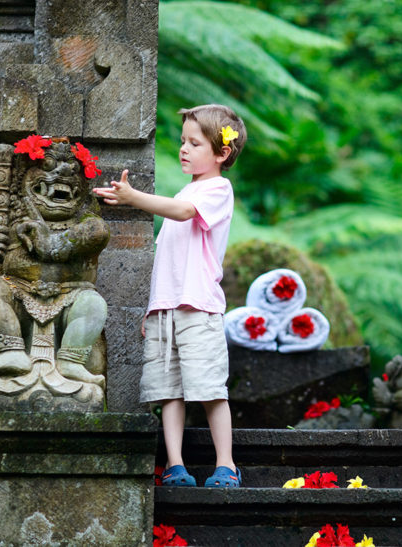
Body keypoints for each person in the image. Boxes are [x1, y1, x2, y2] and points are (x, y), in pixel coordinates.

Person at [93, 104, 247, 488]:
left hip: (199, 308)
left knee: (210, 388)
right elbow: (168, 264)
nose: (184, 149)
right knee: (168, 390)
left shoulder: (216, 189)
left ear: (221, 153)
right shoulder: (188, 189)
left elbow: (181, 212)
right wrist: (153, 309)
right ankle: (175, 464)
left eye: (194, 143)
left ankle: (225, 464)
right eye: (183, 141)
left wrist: (134, 197)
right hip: (166, 310)